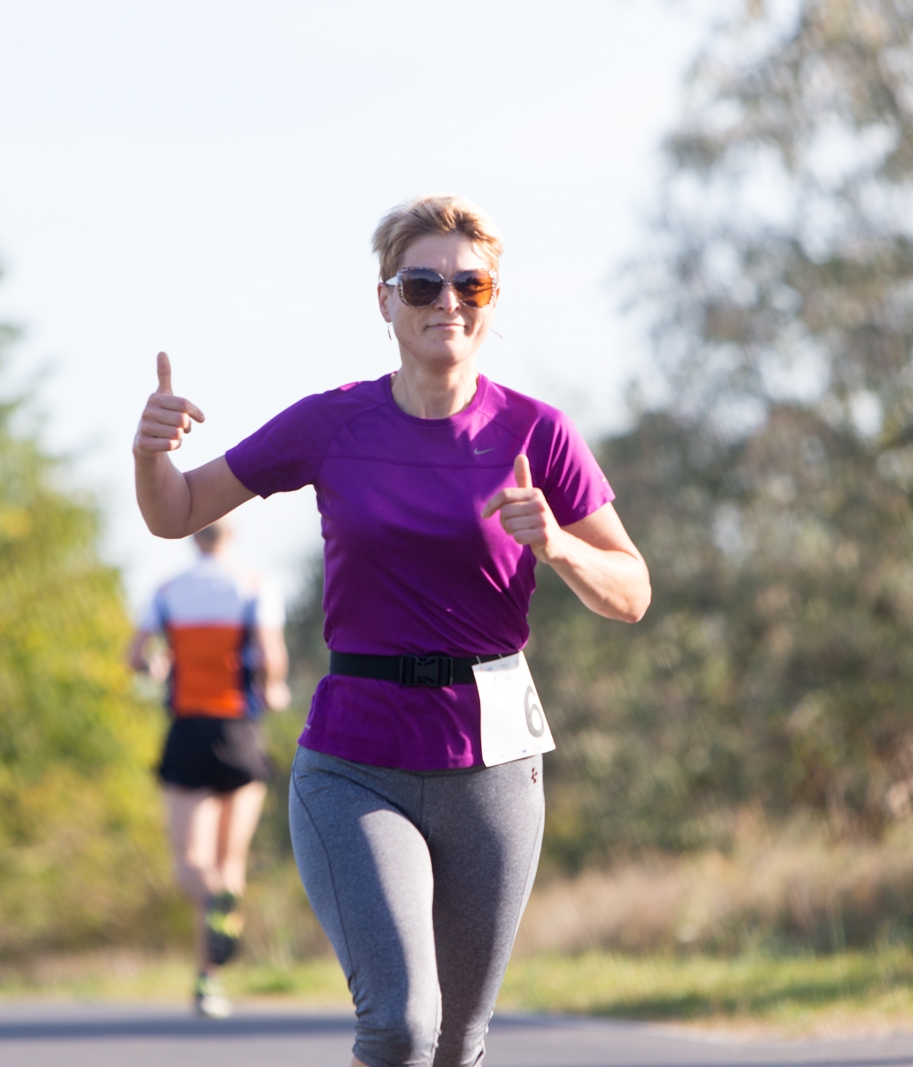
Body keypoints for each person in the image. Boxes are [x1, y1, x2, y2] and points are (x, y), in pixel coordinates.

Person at [132, 195, 650, 1067]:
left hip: (490, 766)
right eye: (423, 283)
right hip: (354, 763)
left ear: (491, 301)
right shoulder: (332, 423)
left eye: (470, 284)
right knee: (402, 1026)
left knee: (457, 1043)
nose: (447, 301)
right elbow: (177, 512)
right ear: (386, 302)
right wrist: (150, 454)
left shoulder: (538, 431)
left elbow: (630, 591)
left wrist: (556, 543)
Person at [126, 519, 289, 1018]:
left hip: (188, 730)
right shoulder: (254, 586)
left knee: (190, 860)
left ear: (194, 538)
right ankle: (209, 980)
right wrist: (274, 686)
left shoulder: (169, 589)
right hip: (240, 731)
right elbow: (271, 658)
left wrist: (156, 669)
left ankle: (210, 946)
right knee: (229, 860)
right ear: (232, 537)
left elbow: (136, 657)